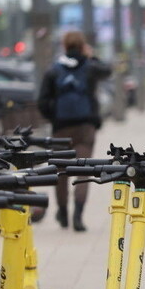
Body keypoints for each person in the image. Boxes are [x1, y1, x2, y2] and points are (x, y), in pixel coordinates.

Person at [37, 30, 112, 232]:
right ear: (82, 46)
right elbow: (108, 70)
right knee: (83, 170)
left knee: (61, 172)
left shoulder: (54, 69)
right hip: (85, 126)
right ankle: (78, 215)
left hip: (61, 127)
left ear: (64, 46)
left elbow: (42, 101)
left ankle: (62, 212)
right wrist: (92, 55)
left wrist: (54, 117)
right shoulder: (90, 67)